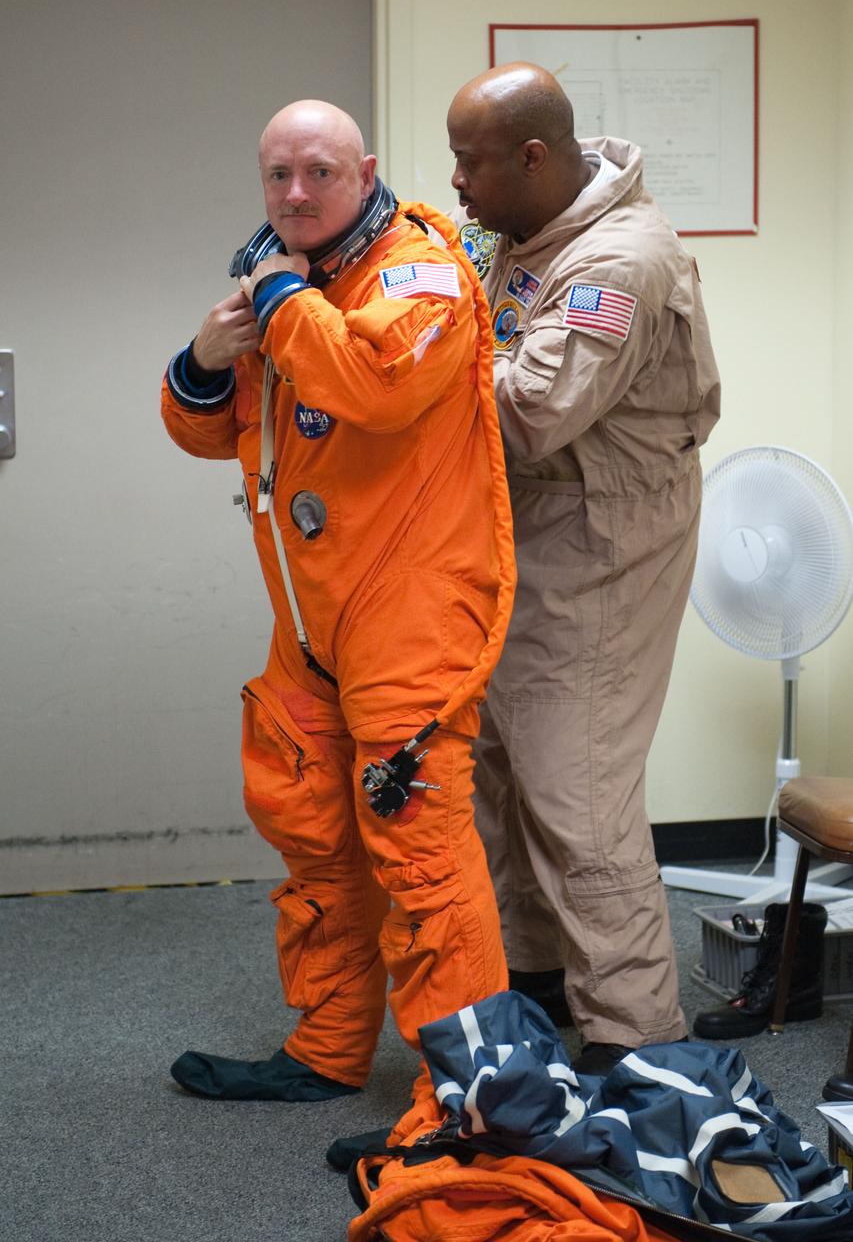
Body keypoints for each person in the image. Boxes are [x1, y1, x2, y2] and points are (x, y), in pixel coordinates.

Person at [161, 100, 515, 1133]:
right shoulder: (291, 289)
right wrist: (204, 359)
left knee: (421, 857)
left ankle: (471, 1105)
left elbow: (372, 381)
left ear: (365, 172)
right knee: (313, 827)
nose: (294, 193)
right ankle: (325, 1048)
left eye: (318, 171)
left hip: (411, 615)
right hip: (314, 622)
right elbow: (205, 430)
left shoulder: (417, 275)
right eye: (277, 176)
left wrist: (274, 292)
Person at [447, 63, 721, 1075]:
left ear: (532, 157)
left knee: (579, 787)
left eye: (470, 161)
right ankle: (537, 983)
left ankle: (637, 1041)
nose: (457, 181)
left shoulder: (618, 262)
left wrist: (414, 361)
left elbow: (527, 411)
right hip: (531, 524)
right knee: (506, 770)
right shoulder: (522, 232)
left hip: (606, 535)